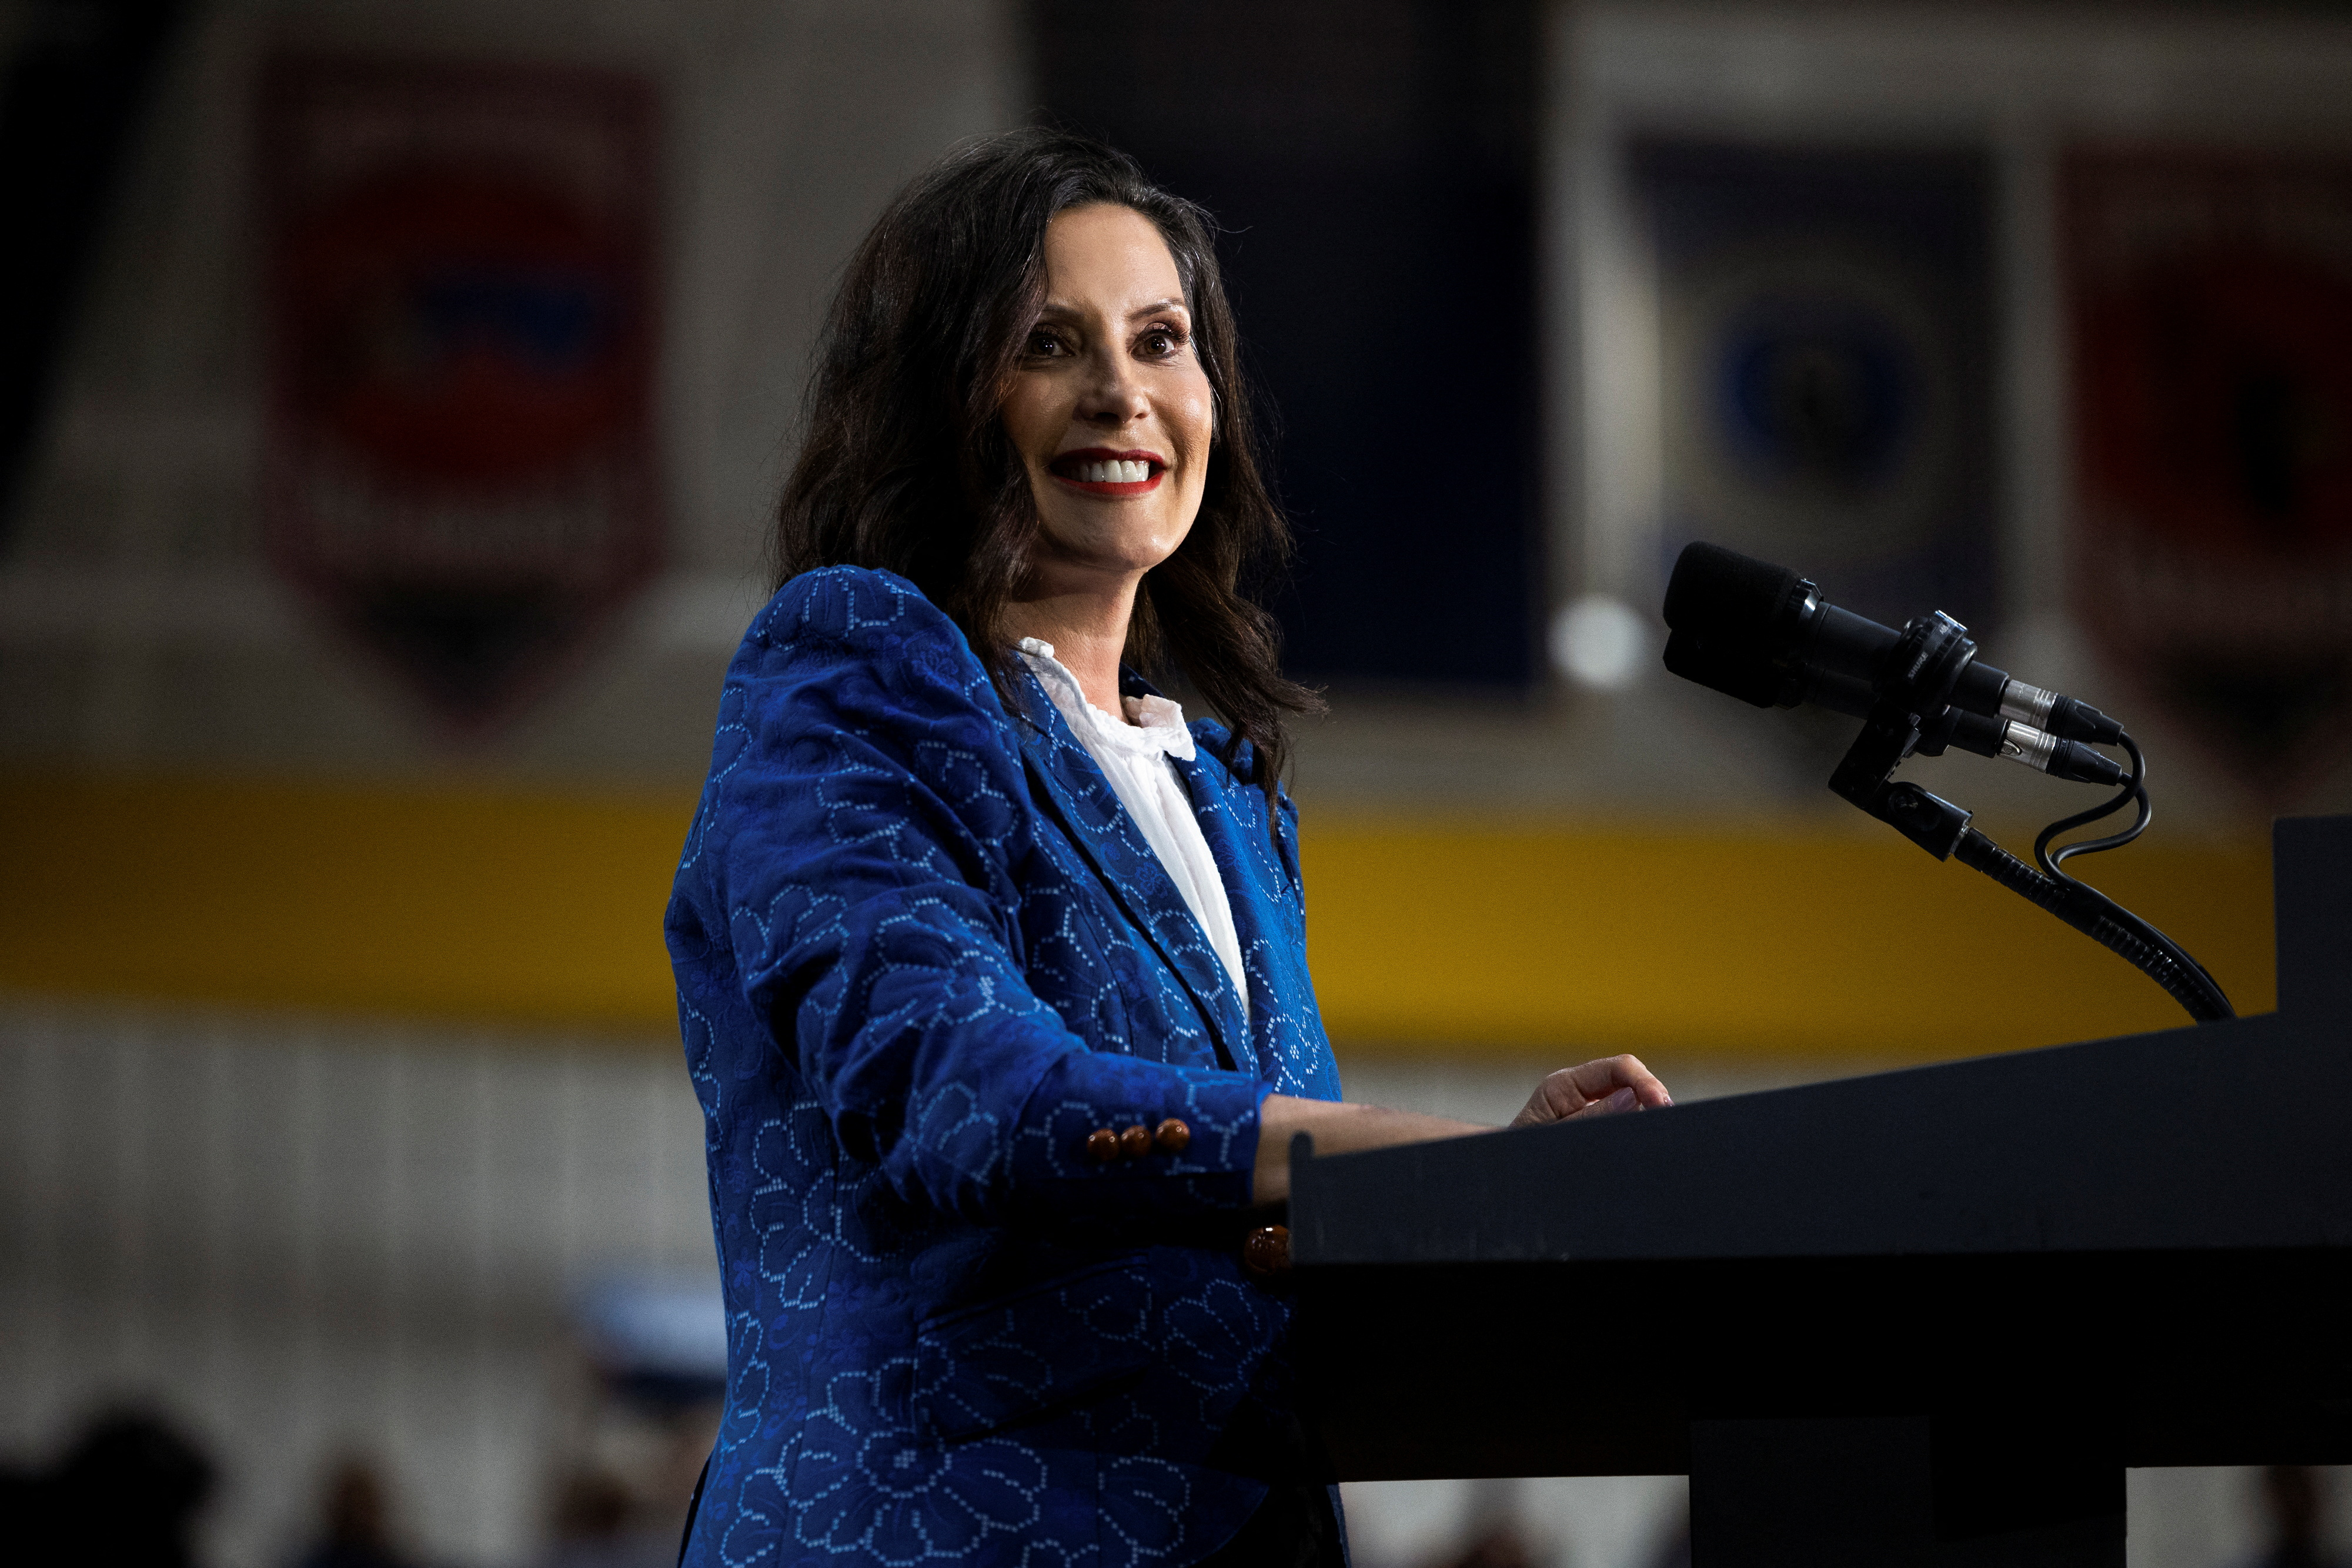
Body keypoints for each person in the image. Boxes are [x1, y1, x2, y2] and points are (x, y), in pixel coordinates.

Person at [664, 126, 1671, 1568]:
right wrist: (1445, 1169)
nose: (1120, 392)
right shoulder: (850, 667)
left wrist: (1468, 1193)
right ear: (935, 393)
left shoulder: (1228, 790)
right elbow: (974, 1098)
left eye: (1161, 340)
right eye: (1047, 342)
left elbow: (1240, 1242)